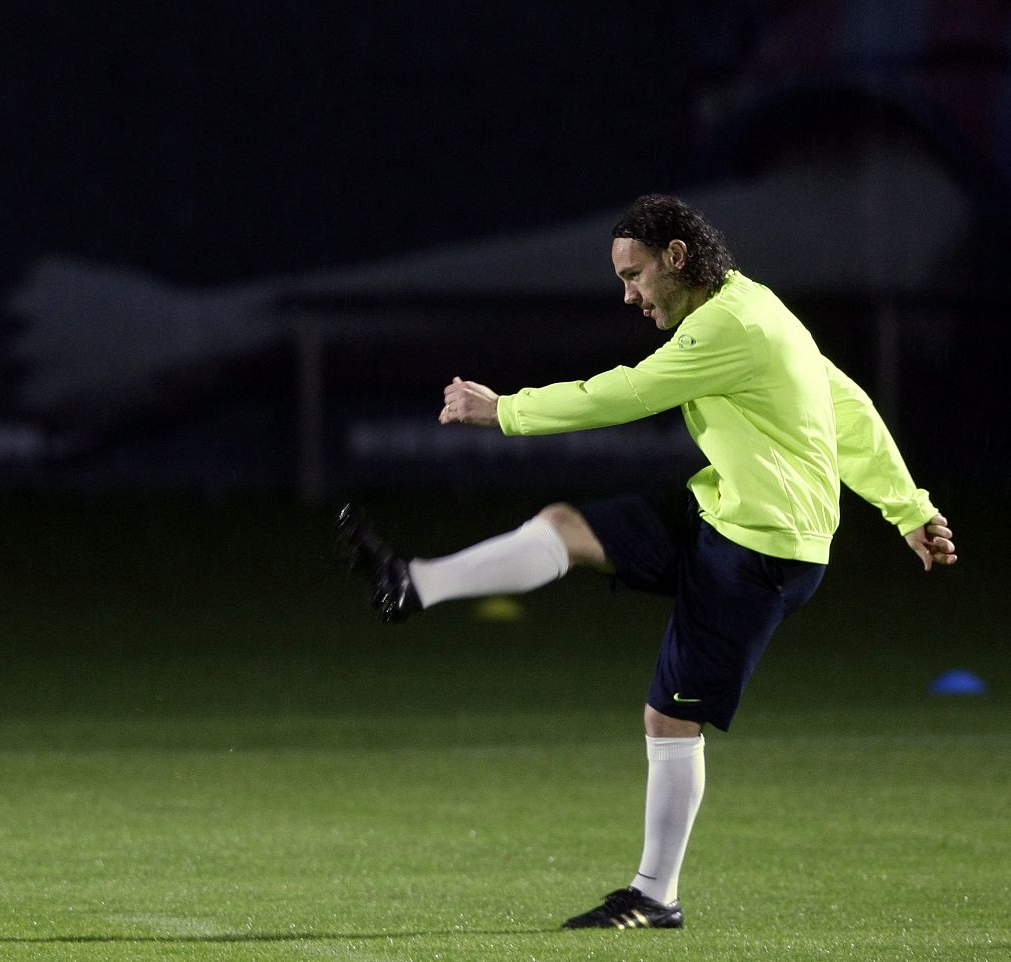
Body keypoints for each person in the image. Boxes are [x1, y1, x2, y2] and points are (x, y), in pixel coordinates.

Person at [338, 193, 957, 930]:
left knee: (670, 720)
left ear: (677, 258)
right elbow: (848, 405)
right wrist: (910, 509)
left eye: (635, 277)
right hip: (718, 512)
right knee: (565, 526)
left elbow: (626, 393)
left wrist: (502, 409)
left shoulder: (735, 325)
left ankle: (656, 896)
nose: (628, 296)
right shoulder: (748, 305)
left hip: (763, 551)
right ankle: (415, 584)